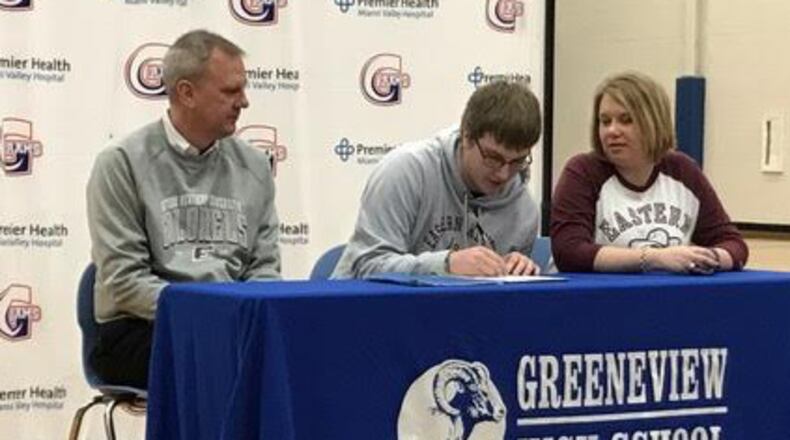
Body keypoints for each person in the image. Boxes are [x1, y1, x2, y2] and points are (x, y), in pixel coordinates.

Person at [86, 30, 280, 388]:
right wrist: (207, 314)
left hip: (230, 326)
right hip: (140, 330)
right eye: (230, 91)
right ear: (186, 93)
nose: (244, 102)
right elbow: (125, 282)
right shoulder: (122, 163)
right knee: (227, 366)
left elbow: (265, 267)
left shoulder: (254, 166)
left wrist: (237, 316)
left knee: (294, 360)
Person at [332, 81, 543, 279]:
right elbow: (366, 267)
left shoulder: (523, 210)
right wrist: (446, 264)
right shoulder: (406, 172)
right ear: (467, 136)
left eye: (518, 161)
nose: (504, 174)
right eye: (493, 158)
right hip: (364, 312)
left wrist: (511, 269)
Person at [550, 71, 748, 274]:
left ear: (653, 122)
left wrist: (706, 258)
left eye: (626, 120)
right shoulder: (582, 172)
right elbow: (569, 252)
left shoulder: (683, 170)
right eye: (605, 121)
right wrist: (654, 258)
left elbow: (734, 245)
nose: (612, 131)